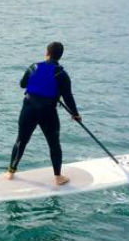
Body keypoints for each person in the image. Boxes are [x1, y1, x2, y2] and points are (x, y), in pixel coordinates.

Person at [6, 42, 81, 185]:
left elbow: (22, 84)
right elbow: (68, 97)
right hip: (48, 113)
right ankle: (58, 177)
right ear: (60, 56)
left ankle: (10, 171)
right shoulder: (61, 74)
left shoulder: (33, 67)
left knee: (21, 141)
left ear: (47, 53)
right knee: (54, 144)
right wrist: (75, 114)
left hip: (28, 110)